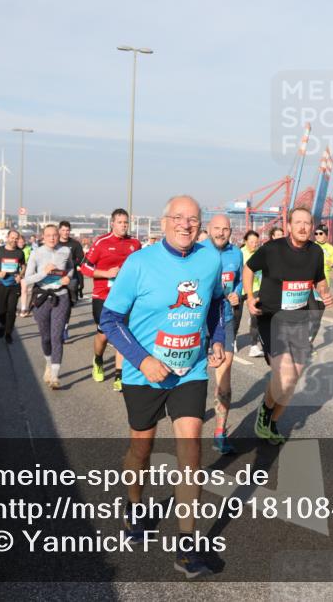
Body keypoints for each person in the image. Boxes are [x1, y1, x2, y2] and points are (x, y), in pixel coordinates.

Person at [99, 194, 225, 578]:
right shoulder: (139, 263)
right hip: (145, 374)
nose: (185, 224)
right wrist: (143, 360)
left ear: (200, 225)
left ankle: (187, 546)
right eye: (178, 217)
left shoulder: (209, 258)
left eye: (193, 219)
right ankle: (135, 505)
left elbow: (217, 304)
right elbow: (110, 319)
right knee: (142, 448)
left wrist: (217, 338)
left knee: (192, 454)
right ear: (164, 221)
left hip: (190, 370)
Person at [244, 207, 332, 445]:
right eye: (298, 223)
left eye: (308, 223)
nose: (304, 227)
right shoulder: (273, 249)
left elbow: (319, 279)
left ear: (312, 227)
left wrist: (324, 292)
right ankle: (265, 412)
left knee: (294, 378)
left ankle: (270, 421)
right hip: (271, 318)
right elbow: (249, 268)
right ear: (290, 226)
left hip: (299, 321)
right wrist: (249, 297)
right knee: (286, 374)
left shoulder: (316, 252)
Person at [81, 209, 142, 391]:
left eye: (126, 222)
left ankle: (119, 375)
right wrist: (105, 273)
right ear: (112, 223)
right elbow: (84, 267)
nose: (123, 225)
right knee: (104, 334)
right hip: (103, 296)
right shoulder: (101, 242)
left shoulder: (135, 244)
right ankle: (98, 360)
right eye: (120, 222)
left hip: (125, 297)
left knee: (123, 334)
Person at [199, 214, 244, 454]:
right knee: (192, 377)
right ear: (209, 229)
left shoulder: (236, 254)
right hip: (196, 321)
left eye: (225, 229)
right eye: (216, 228)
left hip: (224, 319)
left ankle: (219, 432)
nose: (221, 233)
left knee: (224, 376)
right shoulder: (197, 251)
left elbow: (238, 282)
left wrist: (237, 293)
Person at [23, 224, 73, 390]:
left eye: (55, 235)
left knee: (57, 336)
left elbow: (71, 268)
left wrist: (68, 278)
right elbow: (27, 279)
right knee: (45, 338)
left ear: (58, 236)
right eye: (48, 235)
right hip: (42, 298)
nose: (52, 238)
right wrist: (44, 272)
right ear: (43, 237)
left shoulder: (65, 251)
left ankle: (55, 375)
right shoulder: (36, 253)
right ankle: (48, 363)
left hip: (61, 296)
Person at [0, 229, 26, 344]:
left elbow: (23, 266)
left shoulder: (20, 253)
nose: (14, 240)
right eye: (12, 237)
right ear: (7, 238)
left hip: (14, 285)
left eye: (16, 238)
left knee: (11, 310)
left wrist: (20, 275)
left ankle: (8, 333)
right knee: (1, 310)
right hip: (1, 284)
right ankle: (2, 324)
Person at [309, 224, 333, 350]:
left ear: (326, 235)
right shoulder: (310, 247)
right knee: (311, 314)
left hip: (324, 288)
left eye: (321, 233)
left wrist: (332, 264)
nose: (318, 236)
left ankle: (309, 342)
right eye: (316, 234)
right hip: (310, 286)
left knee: (317, 318)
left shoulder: (331, 250)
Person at [58, 221, 85, 342]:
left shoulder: (75, 244)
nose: (65, 232)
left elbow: (81, 258)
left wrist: (71, 263)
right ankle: (56, 327)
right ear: (59, 230)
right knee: (56, 304)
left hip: (71, 278)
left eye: (67, 230)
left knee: (67, 306)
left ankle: (64, 328)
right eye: (63, 230)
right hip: (55, 278)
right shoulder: (55, 243)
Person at [241, 230, 264, 357]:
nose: (254, 244)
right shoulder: (239, 253)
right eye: (252, 242)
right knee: (235, 319)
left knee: (256, 316)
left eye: (256, 242)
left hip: (255, 287)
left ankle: (254, 346)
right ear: (245, 242)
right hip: (240, 288)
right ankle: (232, 340)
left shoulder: (260, 253)